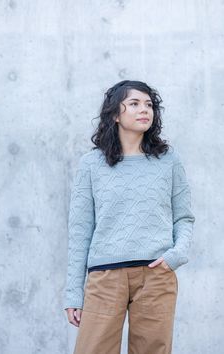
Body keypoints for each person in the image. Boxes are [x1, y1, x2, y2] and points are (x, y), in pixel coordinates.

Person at [64, 80, 195, 354]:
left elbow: (183, 218)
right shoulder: (92, 164)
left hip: (156, 275)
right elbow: (80, 231)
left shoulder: (168, 159)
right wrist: (73, 293)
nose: (144, 110)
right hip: (105, 276)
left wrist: (176, 254)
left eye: (149, 104)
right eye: (134, 104)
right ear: (115, 113)